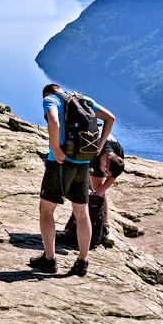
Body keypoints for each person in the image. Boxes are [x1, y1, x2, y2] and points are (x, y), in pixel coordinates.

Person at [31, 84, 115, 277]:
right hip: (82, 163)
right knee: (82, 213)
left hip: (58, 163)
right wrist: (99, 146)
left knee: (46, 210)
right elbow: (110, 118)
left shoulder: (50, 99)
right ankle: (82, 262)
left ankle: (49, 259)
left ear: (47, 93)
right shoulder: (83, 99)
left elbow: (53, 120)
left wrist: (56, 147)